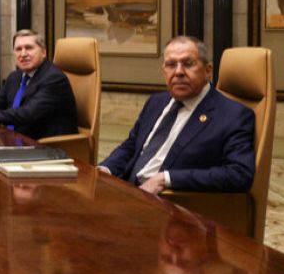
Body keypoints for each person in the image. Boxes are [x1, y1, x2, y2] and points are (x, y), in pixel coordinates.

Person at [100, 36, 255, 195]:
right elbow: (132, 146)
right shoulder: (156, 102)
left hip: (168, 201)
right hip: (127, 191)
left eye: (188, 64)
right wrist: (104, 170)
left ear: (208, 71)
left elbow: (239, 174)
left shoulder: (233, 115)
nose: (179, 72)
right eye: (171, 65)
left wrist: (166, 178)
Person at [0, 29, 77, 140]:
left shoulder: (53, 78)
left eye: (29, 48)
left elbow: (27, 113)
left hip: (45, 147)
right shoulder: (15, 76)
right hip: (15, 139)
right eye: (18, 49)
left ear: (43, 52)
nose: (23, 54)